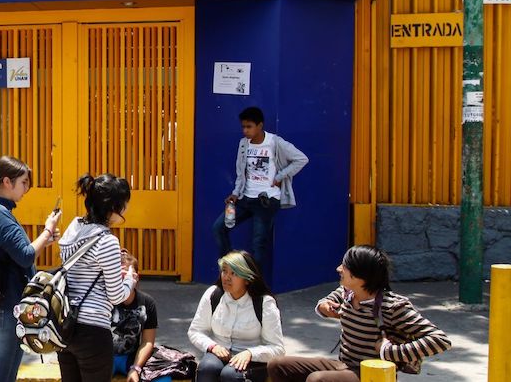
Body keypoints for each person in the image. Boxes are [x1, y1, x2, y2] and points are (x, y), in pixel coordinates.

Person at [267, 246, 451, 382]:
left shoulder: (393, 306)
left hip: (372, 373)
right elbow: (325, 302)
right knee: (277, 365)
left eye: (345, 267)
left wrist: (390, 352)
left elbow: (440, 340)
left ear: (360, 277)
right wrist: (324, 307)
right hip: (344, 365)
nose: (339, 269)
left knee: (318, 380)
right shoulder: (347, 292)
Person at [0, 155, 61, 382]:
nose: (26, 189)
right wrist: (47, 231)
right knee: (4, 374)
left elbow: (18, 253)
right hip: (5, 304)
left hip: (7, 302)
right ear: (7, 181)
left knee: (9, 372)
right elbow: (25, 256)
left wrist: (45, 240)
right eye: (24, 182)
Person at [57, 173, 137, 382]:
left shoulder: (72, 228)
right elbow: (116, 295)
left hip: (65, 326)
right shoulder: (107, 240)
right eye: (124, 205)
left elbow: (83, 272)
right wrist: (129, 279)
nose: (126, 210)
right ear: (113, 207)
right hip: (92, 330)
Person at [213, 107, 308, 277]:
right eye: (243, 127)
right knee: (219, 227)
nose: (245, 131)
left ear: (260, 125)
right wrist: (235, 193)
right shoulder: (243, 144)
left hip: (267, 201)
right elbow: (240, 172)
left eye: (249, 127)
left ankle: (252, 283)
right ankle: (230, 270)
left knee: (258, 244)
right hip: (245, 198)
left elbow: (301, 159)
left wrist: (280, 176)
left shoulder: (274, 142)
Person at [188, 250, 285, 382]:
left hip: (252, 358)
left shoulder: (264, 303)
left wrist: (250, 353)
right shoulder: (213, 295)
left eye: (233, 273)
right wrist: (212, 346)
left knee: (231, 375)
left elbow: (278, 348)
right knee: (207, 369)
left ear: (247, 279)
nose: (226, 277)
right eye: (224, 271)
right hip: (219, 351)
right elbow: (195, 331)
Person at [111, 250, 170, 382]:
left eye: (125, 275)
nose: (120, 279)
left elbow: (148, 341)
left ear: (136, 277)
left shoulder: (147, 302)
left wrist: (136, 368)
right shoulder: (104, 299)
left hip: (131, 356)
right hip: (105, 356)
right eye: (116, 275)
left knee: (164, 379)